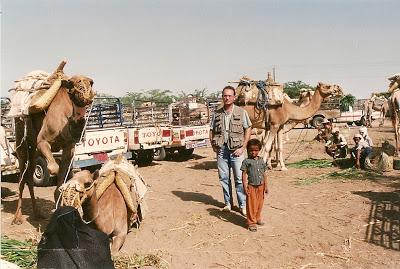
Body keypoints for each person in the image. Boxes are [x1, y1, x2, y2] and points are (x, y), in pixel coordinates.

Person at [210, 85, 252, 216]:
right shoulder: (217, 113)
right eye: (224, 95)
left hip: (237, 150)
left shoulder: (241, 112)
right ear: (222, 97)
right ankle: (228, 203)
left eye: (229, 96)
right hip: (222, 150)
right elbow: (211, 129)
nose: (227, 98)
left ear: (234, 98)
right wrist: (213, 145)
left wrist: (243, 147)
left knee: (239, 179)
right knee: (223, 178)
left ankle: (243, 205)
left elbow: (248, 128)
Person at [241, 139, 269, 232]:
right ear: (248, 150)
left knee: (259, 204)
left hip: (261, 186)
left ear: (259, 150)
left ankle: (257, 218)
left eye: (256, 150)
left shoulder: (261, 161)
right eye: (251, 150)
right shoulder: (246, 161)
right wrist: (245, 187)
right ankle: (251, 223)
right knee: (251, 205)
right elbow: (244, 174)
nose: (253, 152)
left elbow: (264, 174)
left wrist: (266, 186)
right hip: (252, 186)